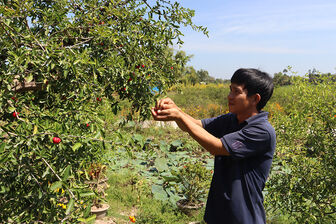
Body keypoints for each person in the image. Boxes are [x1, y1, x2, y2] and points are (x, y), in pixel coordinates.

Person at [151, 68, 276, 224]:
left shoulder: (262, 131)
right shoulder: (231, 119)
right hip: (218, 214)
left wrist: (179, 115)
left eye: (236, 92)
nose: (229, 96)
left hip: (243, 217)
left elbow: (217, 147)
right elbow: (196, 124)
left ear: (255, 99)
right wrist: (176, 111)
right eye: (230, 90)